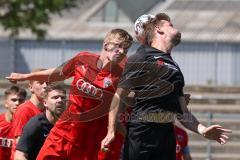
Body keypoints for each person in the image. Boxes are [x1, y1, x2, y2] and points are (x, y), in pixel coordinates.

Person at [101, 13, 232, 160]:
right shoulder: (140, 57)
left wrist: (202, 129)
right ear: (158, 29)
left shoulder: (175, 67)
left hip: (167, 135)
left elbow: (182, 111)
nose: (175, 27)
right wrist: (111, 130)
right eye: (170, 25)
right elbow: (119, 96)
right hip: (142, 133)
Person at [6, 28, 133, 160]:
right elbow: (57, 73)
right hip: (64, 131)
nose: (122, 51)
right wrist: (26, 76)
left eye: (126, 49)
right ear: (106, 45)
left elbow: (116, 102)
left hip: (90, 140)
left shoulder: (123, 74)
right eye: (119, 46)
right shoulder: (83, 59)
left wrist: (111, 130)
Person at [14, 85, 67, 160]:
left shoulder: (69, 125)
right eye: (55, 97)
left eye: (63, 98)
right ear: (45, 102)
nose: (60, 100)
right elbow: (19, 155)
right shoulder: (35, 124)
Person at [10, 69, 48, 160]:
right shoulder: (24, 110)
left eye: (48, 83)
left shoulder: (48, 111)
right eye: (41, 82)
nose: (45, 86)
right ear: (31, 87)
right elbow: (21, 146)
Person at [0, 85, 27, 160]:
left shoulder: (28, 125)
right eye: (13, 100)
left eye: (21, 100)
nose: (17, 103)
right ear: (6, 103)